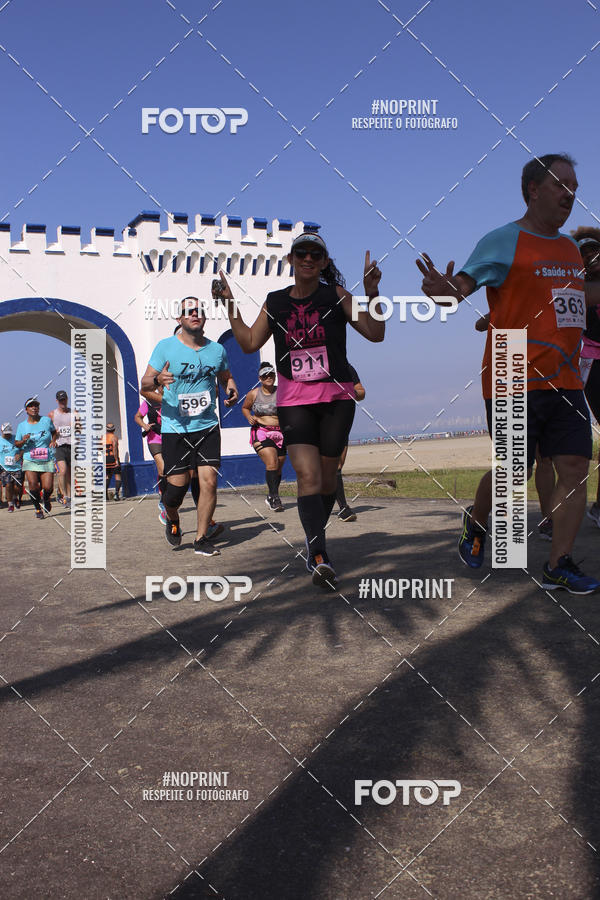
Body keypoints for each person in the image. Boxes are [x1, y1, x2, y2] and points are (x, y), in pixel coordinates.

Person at [417, 153, 600, 593]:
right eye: (561, 183)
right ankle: (477, 520)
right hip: (512, 369)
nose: (570, 192)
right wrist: (442, 292)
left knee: (576, 466)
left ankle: (559, 564)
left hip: (566, 378)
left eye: (575, 185)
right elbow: (459, 289)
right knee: (513, 472)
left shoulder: (571, 249)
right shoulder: (502, 240)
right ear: (533, 189)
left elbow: (571, 301)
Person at [219, 233, 384, 587]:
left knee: (326, 479)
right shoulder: (275, 302)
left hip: (336, 398)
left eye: (316, 254)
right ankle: (318, 552)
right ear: (291, 259)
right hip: (294, 400)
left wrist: (372, 293)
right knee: (308, 477)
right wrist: (229, 304)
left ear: (324, 262)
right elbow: (249, 342)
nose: (308, 258)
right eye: (301, 253)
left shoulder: (336, 296)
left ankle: (316, 540)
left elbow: (375, 333)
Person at [140, 296, 238, 554]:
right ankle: (172, 518)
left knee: (209, 482)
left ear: (204, 317)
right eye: (188, 311)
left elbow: (226, 377)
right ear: (180, 318)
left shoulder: (217, 350)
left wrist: (231, 389)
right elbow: (144, 385)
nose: (195, 314)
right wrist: (159, 379)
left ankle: (201, 538)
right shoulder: (165, 347)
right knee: (176, 490)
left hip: (207, 426)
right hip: (176, 429)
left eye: (199, 310)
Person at [474, 312, 556, 540]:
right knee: (518, 467)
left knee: (546, 459)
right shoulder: (511, 301)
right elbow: (479, 324)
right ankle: (484, 518)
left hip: (544, 381)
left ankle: (548, 519)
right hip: (509, 383)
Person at [571, 226, 600, 527]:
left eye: (594, 249)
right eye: (585, 254)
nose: (592, 256)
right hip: (592, 363)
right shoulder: (575, 287)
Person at [242, 361, 286, 512]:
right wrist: (249, 417)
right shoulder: (254, 393)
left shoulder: (282, 391)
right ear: (260, 378)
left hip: (280, 432)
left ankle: (271, 495)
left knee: (278, 467)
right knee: (272, 462)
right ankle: (275, 497)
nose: (269, 377)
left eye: (271, 374)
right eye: (265, 375)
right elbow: (245, 408)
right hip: (261, 431)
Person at [14, 398, 57, 519]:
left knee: (48, 487)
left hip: (46, 457)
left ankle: (46, 498)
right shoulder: (22, 426)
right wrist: (23, 440)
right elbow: (17, 443)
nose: (34, 408)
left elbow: (54, 432)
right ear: (26, 410)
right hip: (30, 458)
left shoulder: (46, 420)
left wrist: (53, 441)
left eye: (36, 405)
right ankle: (38, 509)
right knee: (33, 485)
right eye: (31, 406)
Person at [336, 364, 366, 522]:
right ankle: (343, 507)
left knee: (337, 465)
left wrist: (350, 392)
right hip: (319, 421)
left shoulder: (347, 367)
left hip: (342, 421)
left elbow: (361, 392)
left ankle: (340, 506)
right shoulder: (313, 366)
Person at [135, 388, 166, 523]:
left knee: (168, 471)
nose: (163, 388)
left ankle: (163, 493)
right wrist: (144, 425)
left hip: (170, 438)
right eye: (161, 385)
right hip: (154, 438)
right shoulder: (149, 401)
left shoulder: (172, 399)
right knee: (163, 469)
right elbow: (137, 417)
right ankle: (164, 499)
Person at [49, 390, 72, 508]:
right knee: (62, 471)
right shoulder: (52, 414)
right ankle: (64, 496)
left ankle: (69, 497)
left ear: (67, 399)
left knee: (70, 474)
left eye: (64, 399)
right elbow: (47, 429)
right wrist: (52, 439)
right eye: (60, 400)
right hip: (59, 446)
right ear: (57, 401)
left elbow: (80, 429)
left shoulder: (73, 413)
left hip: (71, 446)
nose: (63, 402)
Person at [0, 423, 23, 512]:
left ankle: (15, 497)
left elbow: (23, 449)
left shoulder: (16, 438)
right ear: (2, 431)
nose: (7, 435)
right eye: (6, 433)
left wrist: (20, 455)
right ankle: (10, 504)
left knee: (17, 487)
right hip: (5, 468)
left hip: (17, 467)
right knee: (8, 485)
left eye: (9, 433)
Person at [105, 424, 122, 500]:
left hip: (105, 458)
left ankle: (105, 495)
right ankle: (116, 494)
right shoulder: (114, 437)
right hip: (112, 458)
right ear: (114, 430)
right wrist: (116, 460)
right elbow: (115, 448)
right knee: (117, 475)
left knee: (107, 476)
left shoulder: (102, 438)